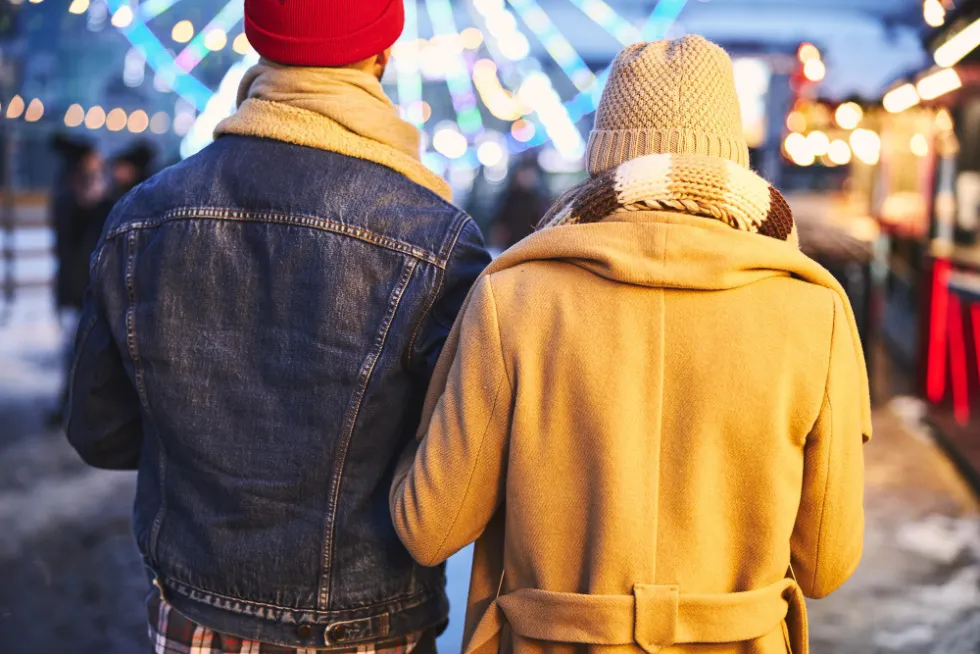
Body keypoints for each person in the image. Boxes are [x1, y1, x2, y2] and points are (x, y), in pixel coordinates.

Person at [391, 36, 870, 653]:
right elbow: (826, 565)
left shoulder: (514, 298)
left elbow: (429, 528)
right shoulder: (814, 311)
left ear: (603, 159)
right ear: (732, 161)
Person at [65, 0, 489, 651]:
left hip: (193, 613)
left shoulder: (142, 217)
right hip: (365, 628)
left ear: (257, 45)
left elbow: (101, 435)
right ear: (380, 57)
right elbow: (452, 471)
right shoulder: (436, 241)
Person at [48, 135, 110, 427]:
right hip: (77, 288)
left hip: (83, 287)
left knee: (81, 351)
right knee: (73, 351)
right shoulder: (70, 200)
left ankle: (76, 407)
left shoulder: (84, 199)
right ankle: (71, 407)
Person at [488, 157, 549, 249]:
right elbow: (499, 225)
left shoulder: (539, 198)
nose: (528, 178)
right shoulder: (508, 198)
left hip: (533, 246)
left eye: (530, 174)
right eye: (524, 174)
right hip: (510, 248)